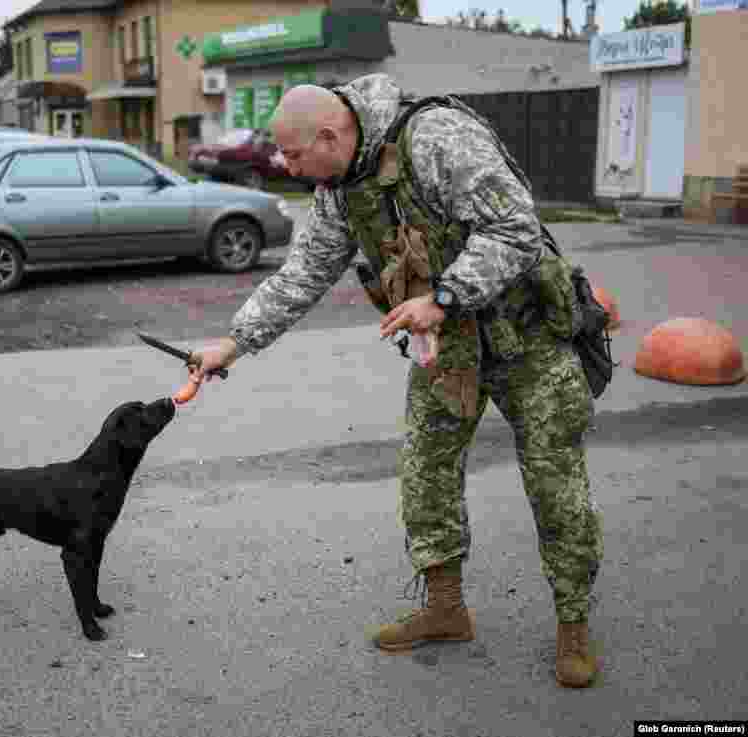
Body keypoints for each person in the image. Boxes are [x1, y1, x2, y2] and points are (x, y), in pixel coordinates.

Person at [188, 74, 604, 688]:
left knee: (554, 482)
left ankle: (573, 626)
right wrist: (235, 343)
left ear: (330, 135)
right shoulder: (340, 183)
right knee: (426, 472)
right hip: (448, 348)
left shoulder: (437, 137)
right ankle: (445, 609)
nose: (285, 164)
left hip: (529, 337)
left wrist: (443, 295)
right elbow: (302, 275)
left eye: (294, 154)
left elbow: (514, 227)